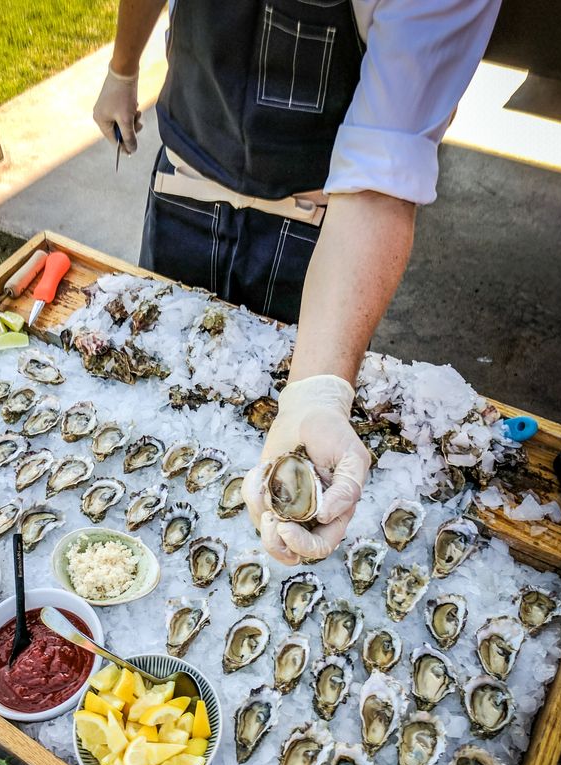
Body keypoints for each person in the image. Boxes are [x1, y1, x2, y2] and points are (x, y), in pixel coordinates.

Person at [93, 0, 501, 565]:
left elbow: (382, 175)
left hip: (315, 223)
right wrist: (123, 66)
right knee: (160, 399)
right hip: (184, 180)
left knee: (268, 418)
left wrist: (316, 393)